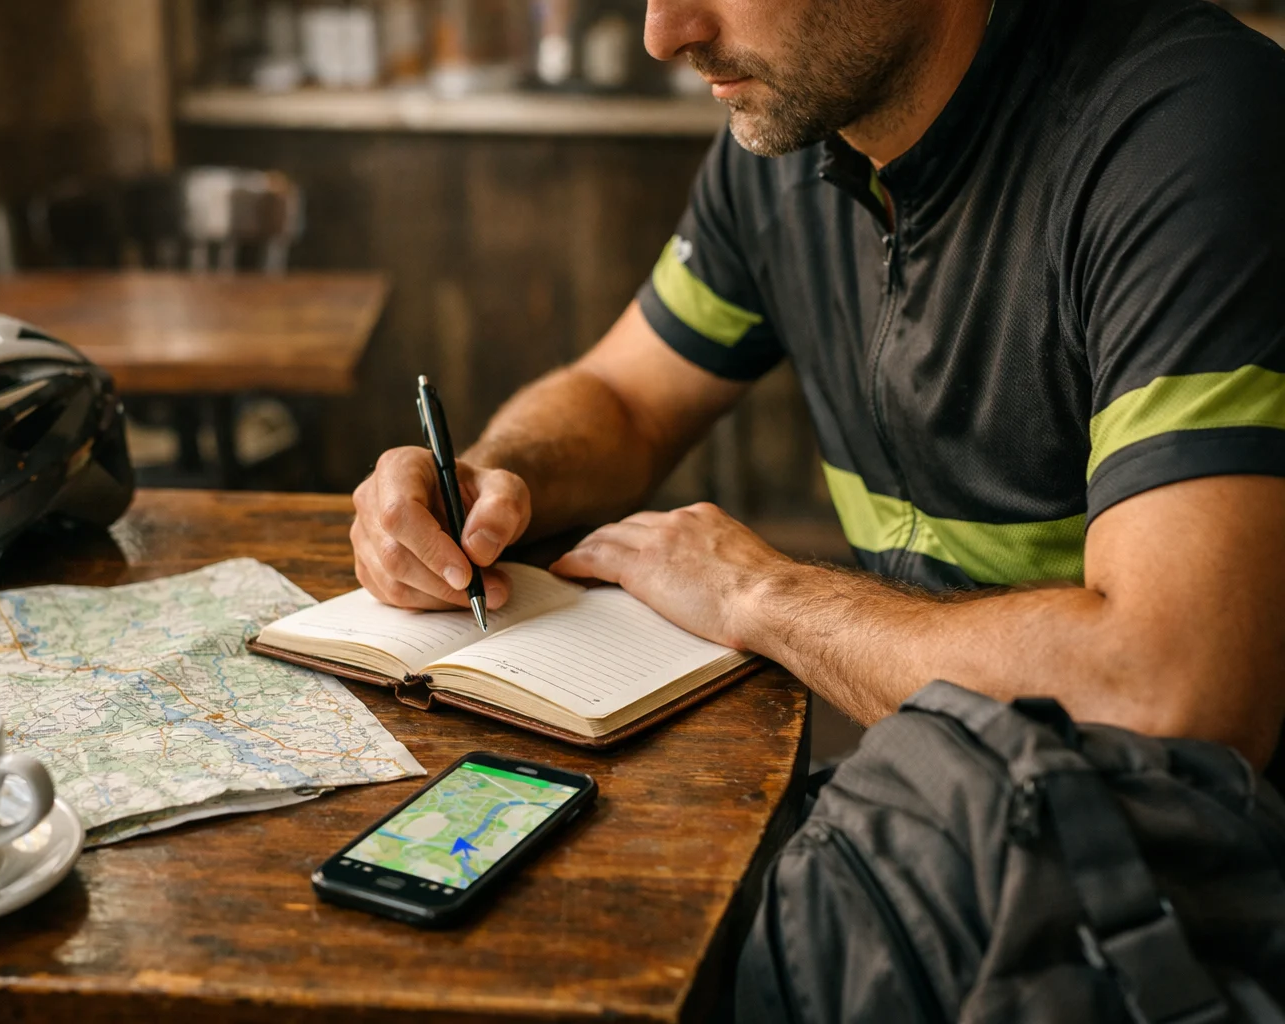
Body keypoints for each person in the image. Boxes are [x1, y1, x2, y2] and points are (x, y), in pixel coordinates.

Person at [350, 0, 1285, 775]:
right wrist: (485, 479)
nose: (664, 31)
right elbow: (624, 399)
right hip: (956, 820)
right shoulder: (797, 138)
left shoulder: (1190, 133)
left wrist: (762, 596)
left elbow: (1173, 695)